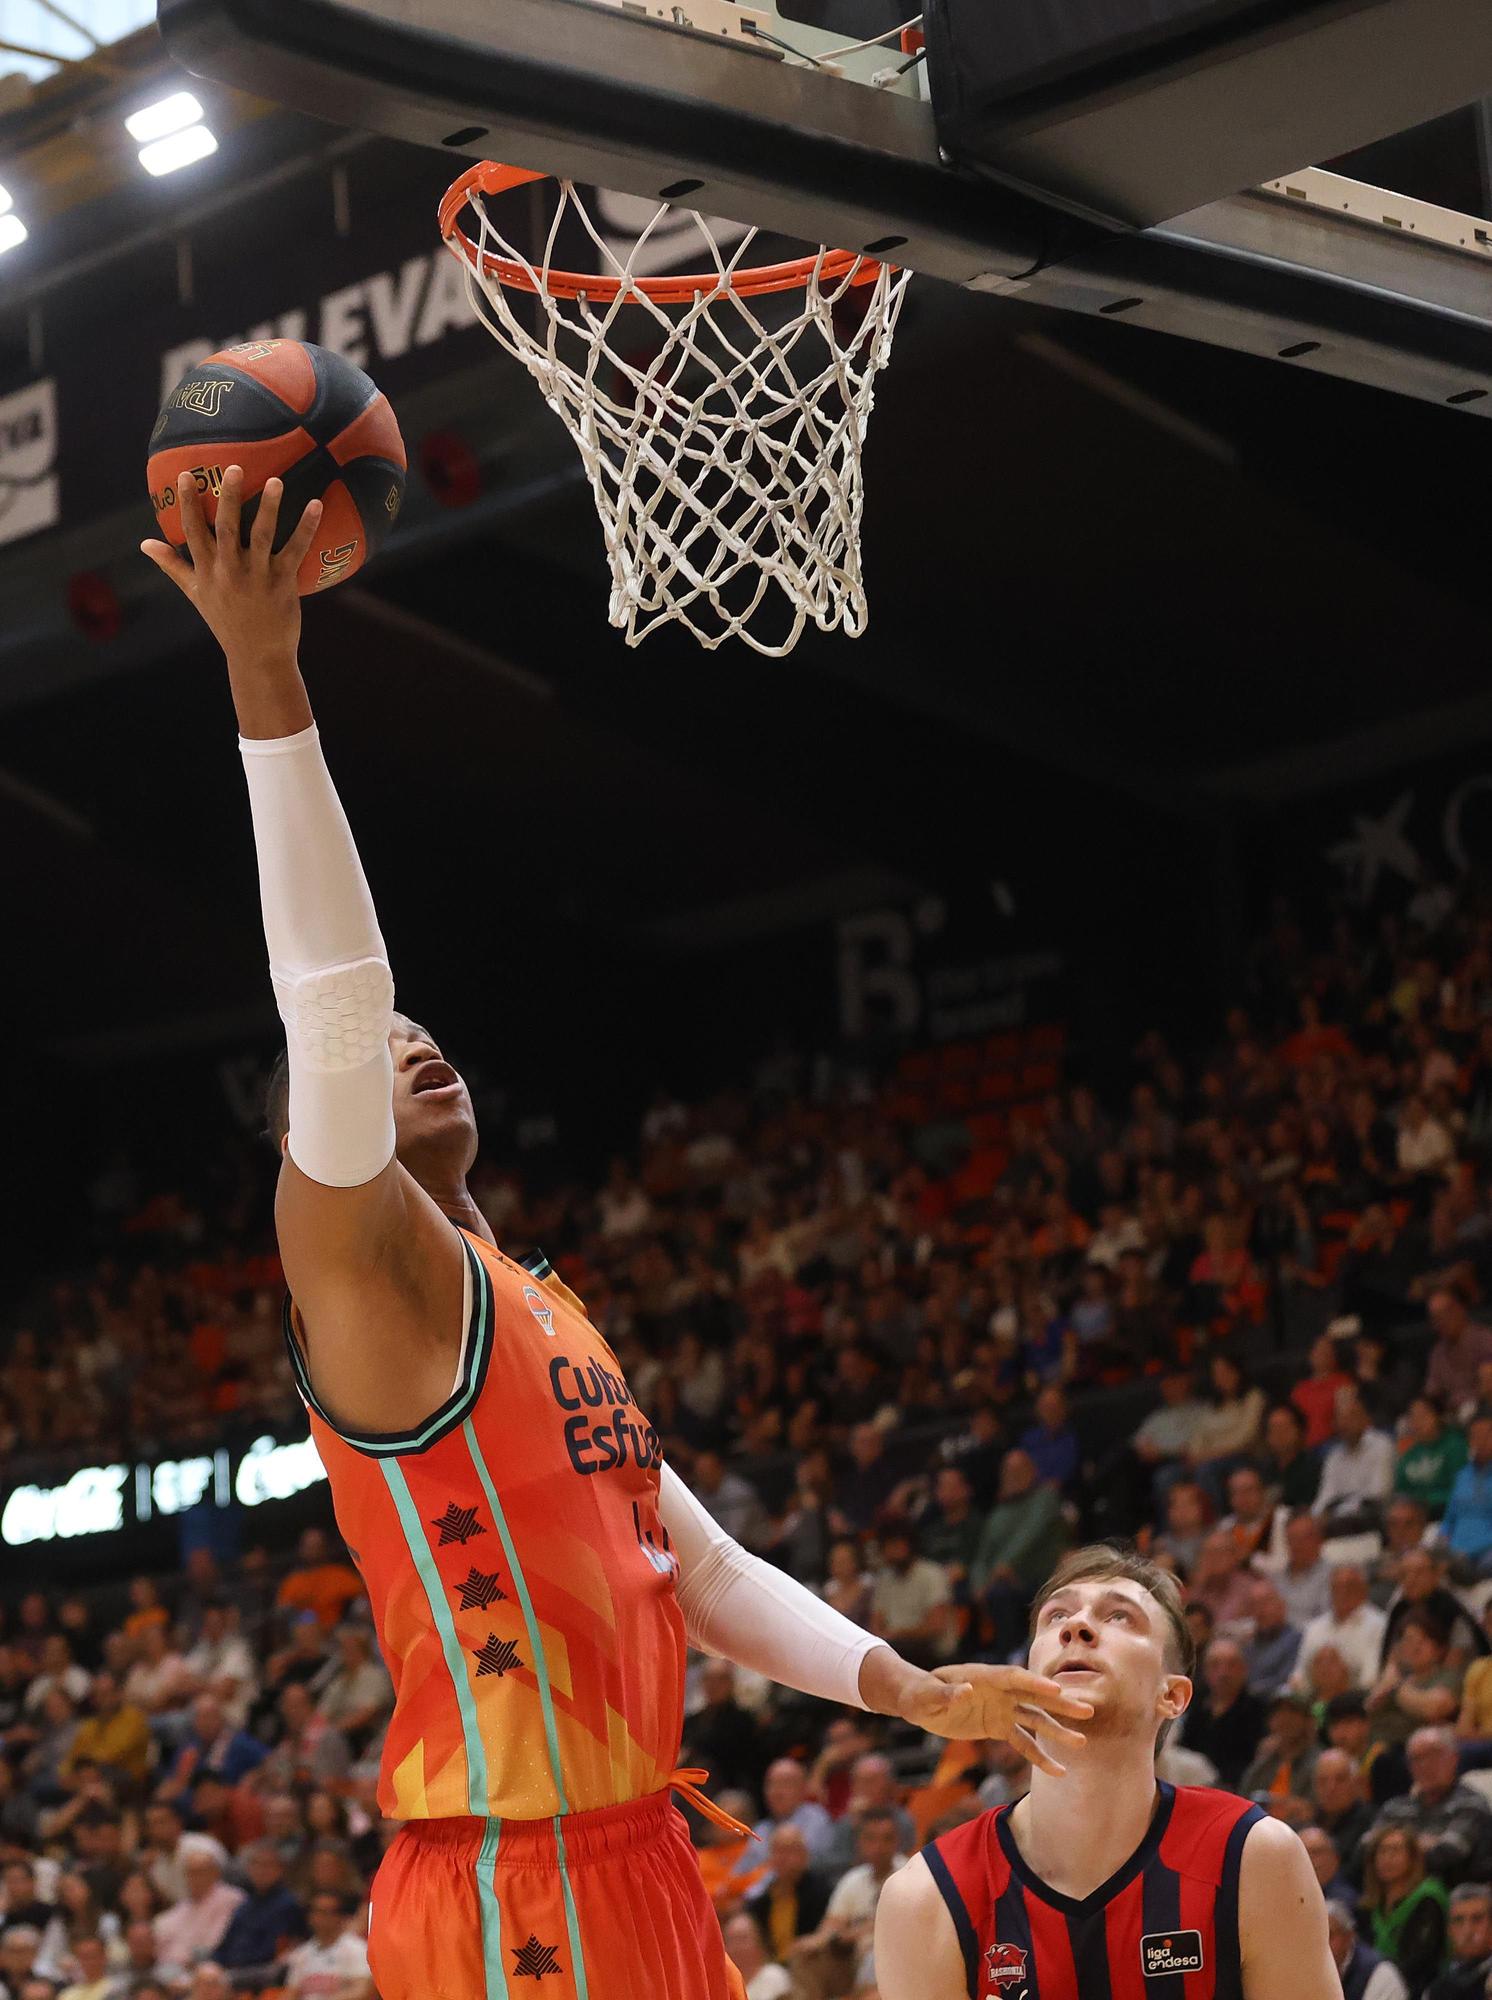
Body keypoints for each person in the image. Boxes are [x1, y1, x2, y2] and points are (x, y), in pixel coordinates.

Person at [140, 472, 1092, 2000]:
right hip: (514, 1874)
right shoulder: (360, 1255)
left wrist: (900, 1685)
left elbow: (691, 1563)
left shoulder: (543, 1303)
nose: (409, 1042)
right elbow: (327, 992)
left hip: (637, 1852)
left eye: (427, 1029)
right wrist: (269, 673)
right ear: (312, 1133)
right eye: (384, 1048)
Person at [875, 1544, 1338, 2000]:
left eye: (1119, 1617)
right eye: (1056, 1616)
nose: (1076, 1625)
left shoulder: (1254, 1858)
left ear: (1172, 1696)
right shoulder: (927, 1897)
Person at [1360, 1823, 1448, 1999]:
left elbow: (1421, 1959)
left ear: (1413, 1857)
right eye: (1382, 1851)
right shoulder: (1371, 1904)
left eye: (1395, 1851)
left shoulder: (1428, 1897)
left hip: (1419, 1987)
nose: (1388, 1858)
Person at [281, 1893, 372, 2000]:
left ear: (339, 1917)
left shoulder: (357, 1948)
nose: (322, 1918)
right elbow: (290, 1993)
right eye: (318, 1912)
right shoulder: (302, 1954)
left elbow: (363, 1991)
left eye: (327, 1913)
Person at [1327, 1897, 1410, 2000]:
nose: (1322, 1944)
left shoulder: (1382, 1976)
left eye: (1329, 1935)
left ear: (1349, 1937)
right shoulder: (1308, 1970)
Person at [1424, 1882, 1492, 2000]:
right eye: (1458, 1921)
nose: (1468, 1931)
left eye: (1477, 1919)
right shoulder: (1436, 1989)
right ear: (1449, 1930)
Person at [720, 1913, 791, 2000]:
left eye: (743, 1939)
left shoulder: (775, 1976)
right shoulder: (722, 1982)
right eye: (731, 1940)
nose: (737, 1947)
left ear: (759, 1942)